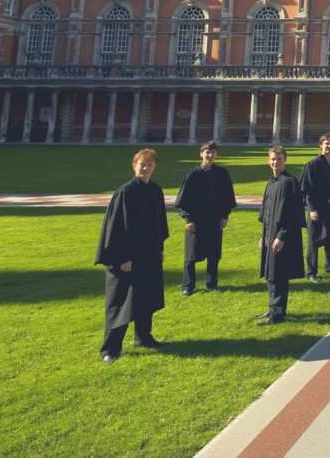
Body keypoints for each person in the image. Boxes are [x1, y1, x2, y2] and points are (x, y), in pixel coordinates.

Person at [95, 149, 169, 363]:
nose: (145, 168)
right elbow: (117, 227)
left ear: (155, 167)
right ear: (134, 165)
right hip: (128, 257)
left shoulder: (155, 190)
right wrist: (123, 258)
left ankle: (144, 337)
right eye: (141, 164)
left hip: (150, 253)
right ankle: (110, 349)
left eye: (149, 165)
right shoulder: (125, 192)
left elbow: (159, 223)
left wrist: (160, 247)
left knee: (146, 296)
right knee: (122, 301)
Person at [173, 140, 237, 296]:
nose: (210, 155)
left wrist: (224, 216)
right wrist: (187, 219)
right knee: (191, 254)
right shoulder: (192, 174)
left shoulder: (222, 174)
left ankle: (211, 283)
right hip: (196, 219)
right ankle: (188, 285)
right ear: (201, 154)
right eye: (207, 152)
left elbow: (227, 196)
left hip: (215, 218)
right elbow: (184, 198)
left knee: (213, 253)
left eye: (213, 152)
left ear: (216, 154)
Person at [257, 146, 305, 325]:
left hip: (282, 237)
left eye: (278, 159)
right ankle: (271, 308)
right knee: (270, 273)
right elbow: (267, 212)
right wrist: (265, 235)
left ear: (285, 160)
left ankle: (278, 313)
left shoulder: (290, 182)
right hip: (270, 234)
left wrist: (281, 236)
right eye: (272, 159)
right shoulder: (272, 181)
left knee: (279, 274)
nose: (275, 162)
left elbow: (293, 213)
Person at [299, 134, 330, 281]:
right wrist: (312, 209)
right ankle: (311, 272)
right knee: (313, 240)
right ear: (321, 145)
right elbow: (307, 190)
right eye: (327, 143)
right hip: (317, 207)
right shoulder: (312, 165)